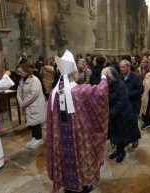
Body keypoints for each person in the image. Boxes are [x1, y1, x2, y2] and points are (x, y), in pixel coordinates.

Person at [46, 50, 109, 193]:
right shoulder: (79, 91)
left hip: (59, 138)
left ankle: (67, 183)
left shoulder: (53, 93)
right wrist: (104, 76)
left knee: (63, 157)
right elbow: (100, 92)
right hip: (78, 136)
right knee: (80, 154)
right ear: (74, 74)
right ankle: (81, 183)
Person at [107, 66, 136, 163]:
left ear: (114, 77)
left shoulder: (120, 84)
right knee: (114, 134)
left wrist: (111, 112)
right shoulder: (109, 84)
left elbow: (122, 102)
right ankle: (117, 150)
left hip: (122, 115)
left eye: (109, 78)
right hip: (114, 115)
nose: (107, 80)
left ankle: (122, 152)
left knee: (121, 135)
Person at [17, 63, 46, 149]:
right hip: (27, 105)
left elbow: (33, 95)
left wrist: (23, 103)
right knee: (31, 123)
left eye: (20, 72)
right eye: (18, 72)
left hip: (34, 105)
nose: (19, 73)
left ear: (26, 70)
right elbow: (18, 92)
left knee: (36, 123)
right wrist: (21, 102)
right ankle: (34, 137)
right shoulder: (22, 80)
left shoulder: (34, 80)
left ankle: (39, 138)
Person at [119, 60, 143, 148]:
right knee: (125, 122)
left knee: (133, 122)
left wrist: (128, 94)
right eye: (120, 67)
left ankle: (135, 139)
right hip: (124, 105)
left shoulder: (136, 77)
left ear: (128, 67)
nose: (121, 69)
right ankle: (128, 137)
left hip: (133, 104)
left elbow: (140, 90)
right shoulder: (120, 77)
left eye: (123, 67)